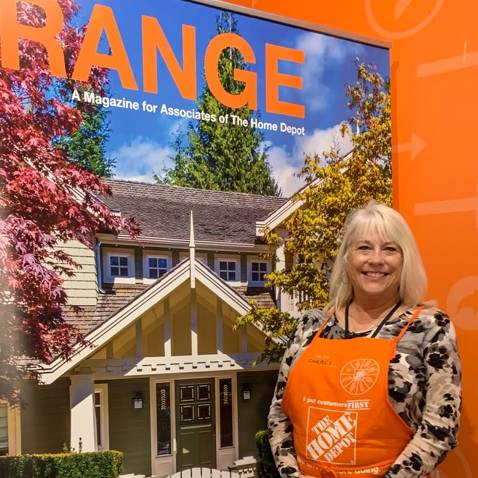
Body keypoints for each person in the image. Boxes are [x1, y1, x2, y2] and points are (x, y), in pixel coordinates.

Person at [268, 201, 461, 478]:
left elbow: (441, 427)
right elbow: (279, 414)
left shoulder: (430, 328)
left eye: (390, 249)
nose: (376, 259)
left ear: (405, 260)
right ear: (347, 258)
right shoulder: (310, 327)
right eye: (364, 247)